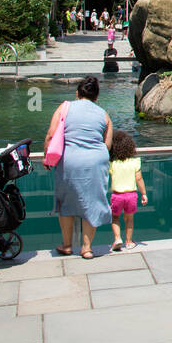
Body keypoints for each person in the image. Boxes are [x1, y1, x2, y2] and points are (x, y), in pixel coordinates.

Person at [46, 77, 112, 258]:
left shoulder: (65, 107)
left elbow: (51, 136)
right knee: (93, 202)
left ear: (77, 93)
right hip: (96, 162)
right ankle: (87, 247)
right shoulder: (104, 114)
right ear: (96, 97)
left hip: (69, 161)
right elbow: (107, 143)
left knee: (66, 202)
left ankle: (67, 245)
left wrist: (48, 159)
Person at [107, 131, 147, 252]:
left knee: (115, 217)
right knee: (129, 219)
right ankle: (129, 241)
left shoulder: (112, 163)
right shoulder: (134, 162)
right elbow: (139, 178)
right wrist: (144, 193)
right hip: (131, 195)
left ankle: (117, 238)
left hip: (117, 195)